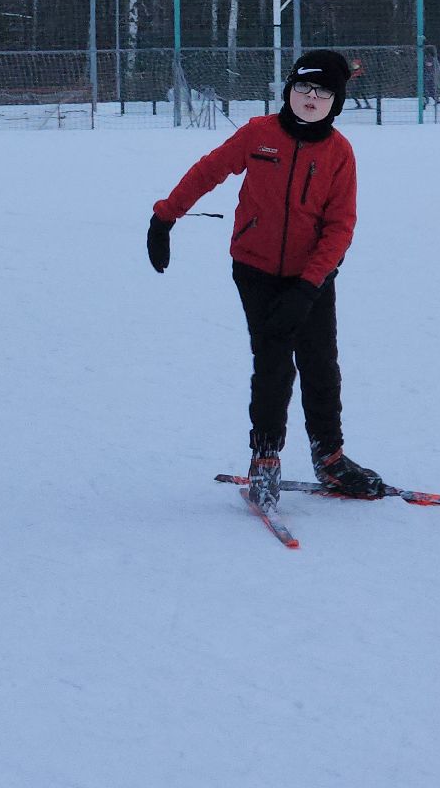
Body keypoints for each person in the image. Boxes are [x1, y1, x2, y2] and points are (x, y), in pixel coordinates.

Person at [145, 49, 384, 510]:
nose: (310, 98)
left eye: (322, 92)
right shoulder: (260, 134)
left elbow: (340, 227)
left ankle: (329, 456)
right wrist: (164, 218)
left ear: (334, 102)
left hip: (312, 275)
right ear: (289, 89)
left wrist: (309, 285)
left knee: (320, 365)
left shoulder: (339, 154)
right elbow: (208, 171)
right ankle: (266, 458)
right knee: (273, 362)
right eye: (303, 87)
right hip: (255, 270)